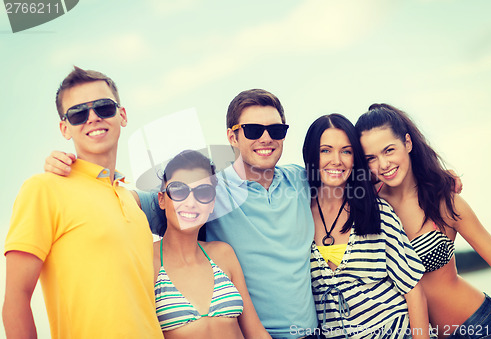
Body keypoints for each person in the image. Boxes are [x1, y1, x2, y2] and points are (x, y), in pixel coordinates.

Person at [43, 89, 319, 339]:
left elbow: (343, 173)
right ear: (232, 136)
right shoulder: (209, 188)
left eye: (276, 130)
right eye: (253, 130)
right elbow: (119, 200)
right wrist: (76, 171)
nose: (266, 138)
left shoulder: (301, 180)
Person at [3, 67, 163, 338]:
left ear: (122, 115)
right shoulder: (43, 189)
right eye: (78, 113)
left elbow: (199, 193)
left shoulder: (133, 202)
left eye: (103, 107)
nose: (92, 118)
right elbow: (16, 299)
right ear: (65, 128)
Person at [355, 103, 491, 339]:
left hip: (481, 326)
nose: (383, 164)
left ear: (408, 143)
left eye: (389, 150)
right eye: (371, 157)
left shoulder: (444, 202)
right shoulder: (370, 206)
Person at [303, 114, 429, 339]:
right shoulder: (298, 212)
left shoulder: (376, 211)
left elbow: (414, 291)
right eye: (325, 150)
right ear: (311, 154)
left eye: (346, 151)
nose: (337, 160)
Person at [151, 149, 270, 338]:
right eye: (179, 190)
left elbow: (256, 333)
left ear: (212, 203)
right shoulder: (147, 262)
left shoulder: (223, 254)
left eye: (203, 192)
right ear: (162, 199)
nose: (191, 202)